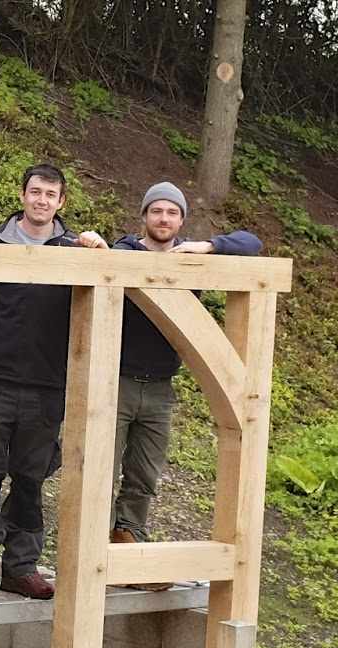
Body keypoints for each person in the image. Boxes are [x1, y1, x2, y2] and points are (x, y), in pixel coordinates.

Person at [0, 163, 108, 603]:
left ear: (61, 202)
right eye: (34, 192)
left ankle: (21, 565)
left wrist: (98, 251)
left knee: (31, 478)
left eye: (50, 194)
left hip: (47, 386)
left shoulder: (76, 251)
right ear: (22, 195)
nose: (41, 200)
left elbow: (98, 309)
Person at [109, 182, 262, 588]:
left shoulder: (192, 256)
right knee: (100, 470)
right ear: (143, 216)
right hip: (116, 383)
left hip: (160, 387)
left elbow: (252, 244)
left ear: (181, 220)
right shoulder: (124, 253)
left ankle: (131, 545)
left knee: (144, 474)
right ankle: (95, 554)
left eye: (172, 213)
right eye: (156, 211)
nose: (163, 219)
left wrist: (209, 247)